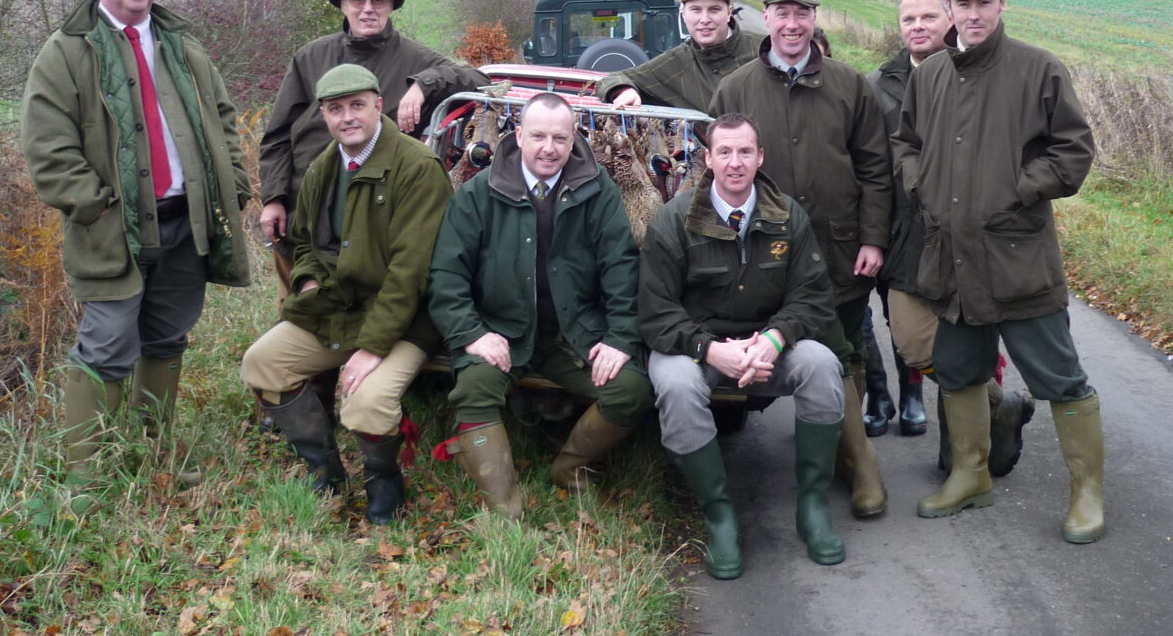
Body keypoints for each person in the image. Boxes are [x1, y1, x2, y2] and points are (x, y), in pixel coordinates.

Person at [22, 0, 250, 484]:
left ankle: (153, 455)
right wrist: (95, 206)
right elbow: (48, 149)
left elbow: (222, 117)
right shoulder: (67, 51)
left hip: (183, 224)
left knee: (168, 336)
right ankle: (86, 478)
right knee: (105, 347)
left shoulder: (181, 45)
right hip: (111, 230)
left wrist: (234, 184)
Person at [893, 0, 1103, 543]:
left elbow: (1073, 152)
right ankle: (970, 474)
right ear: (951, 10)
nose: (974, 13)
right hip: (950, 262)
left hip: (1018, 260)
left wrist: (1017, 190)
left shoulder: (1038, 69)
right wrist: (921, 186)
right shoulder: (929, 75)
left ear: (1003, 3)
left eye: (985, 2)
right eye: (963, 4)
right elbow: (904, 143)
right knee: (959, 372)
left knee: (1059, 376)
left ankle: (1086, 492)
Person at [709, 0, 892, 519]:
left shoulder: (850, 85)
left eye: (802, 14)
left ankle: (856, 462)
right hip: (766, 255)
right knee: (806, 349)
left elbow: (876, 169)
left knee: (846, 349)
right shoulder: (734, 88)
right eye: (781, 13)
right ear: (763, 18)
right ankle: (852, 459)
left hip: (841, 248)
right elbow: (717, 173)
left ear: (815, 19)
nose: (791, 24)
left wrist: (873, 238)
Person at [241, 64, 452, 523]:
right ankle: (326, 470)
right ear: (323, 116)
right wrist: (310, 282)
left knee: (366, 403)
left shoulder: (418, 168)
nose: (347, 117)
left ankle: (385, 482)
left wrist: (371, 349)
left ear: (379, 106)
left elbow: (410, 273)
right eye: (336, 109)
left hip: (408, 316)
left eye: (357, 105)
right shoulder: (324, 167)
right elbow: (305, 244)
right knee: (262, 363)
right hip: (340, 304)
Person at [428, 92, 654, 519]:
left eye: (559, 138)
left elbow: (622, 268)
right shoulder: (479, 193)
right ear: (518, 136)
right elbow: (446, 275)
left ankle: (570, 470)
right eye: (537, 136)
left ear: (573, 140)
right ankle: (505, 510)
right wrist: (473, 334)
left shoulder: (597, 191)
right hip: (501, 330)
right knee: (473, 389)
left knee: (632, 389)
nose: (548, 148)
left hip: (575, 331)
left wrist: (621, 338)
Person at [640, 113, 847, 574]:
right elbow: (655, 312)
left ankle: (812, 506)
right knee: (674, 383)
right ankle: (718, 514)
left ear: (760, 157)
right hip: (699, 347)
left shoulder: (788, 216)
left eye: (745, 152)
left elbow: (812, 297)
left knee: (821, 364)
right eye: (725, 153)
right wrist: (711, 350)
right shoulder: (674, 220)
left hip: (768, 343)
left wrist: (774, 339)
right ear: (708, 159)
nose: (736, 163)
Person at [869, 0, 1035, 470]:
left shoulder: (983, 71)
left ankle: (966, 458)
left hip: (974, 237)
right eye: (908, 19)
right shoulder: (878, 84)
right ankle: (999, 404)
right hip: (908, 239)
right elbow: (873, 170)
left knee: (971, 337)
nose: (918, 27)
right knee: (914, 339)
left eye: (928, 17)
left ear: (948, 18)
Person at [259, 0, 489, 305]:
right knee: (299, 308)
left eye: (378, 0)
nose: (368, 9)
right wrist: (274, 197)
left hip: (374, 218)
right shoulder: (310, 57)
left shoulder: (417, 58)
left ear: (391, 6)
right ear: (343, 5)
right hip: (304, 209)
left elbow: (479, 80)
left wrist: (424, 84)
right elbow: (278, 135)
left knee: (363, 309)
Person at [595, 0, 763, 113]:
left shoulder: (764, 49)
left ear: (729, 13)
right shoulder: (674, 64)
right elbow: (612, 79)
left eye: (714, 10)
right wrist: (624, 90)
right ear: (683, 14)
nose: (704, 19)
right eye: (695, 10)